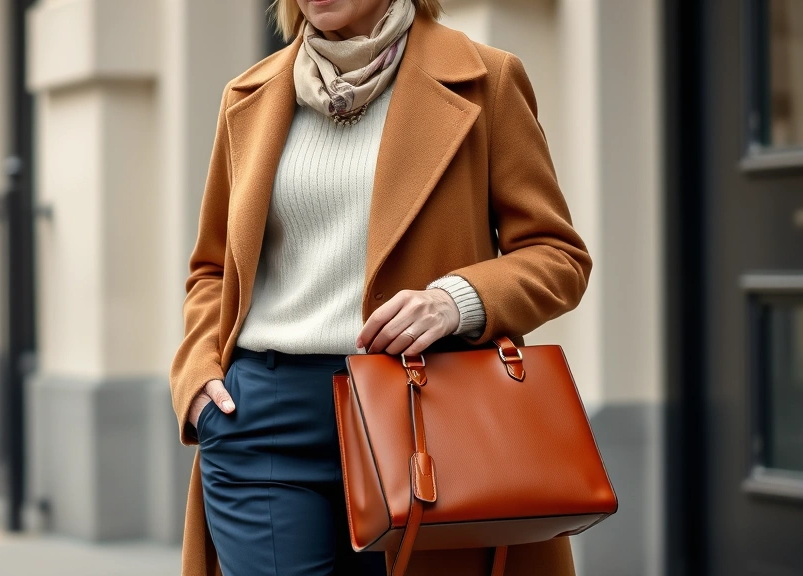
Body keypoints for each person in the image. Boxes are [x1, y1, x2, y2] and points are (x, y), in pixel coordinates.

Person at [170, 0, 592, 574]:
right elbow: (214, 269)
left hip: (419, 415)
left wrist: (456, 301)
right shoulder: (250, 95)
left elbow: (557, 256)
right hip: (262, 417)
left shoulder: (486, 80)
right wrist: (197, 377)